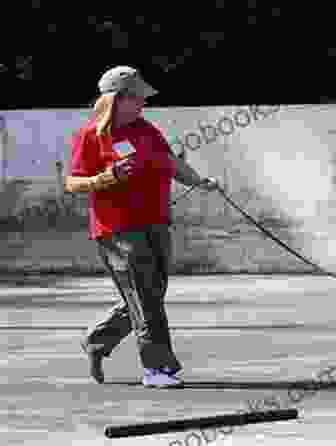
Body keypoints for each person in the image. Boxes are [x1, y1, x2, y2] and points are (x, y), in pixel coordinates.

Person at [65, 66, 219, 388]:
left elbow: (171, 162)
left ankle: (97, 339)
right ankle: (157, 368)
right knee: (146, 297)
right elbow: (73, 182)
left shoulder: (147, 130)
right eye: (137, 98)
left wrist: (199, 181)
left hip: (156, 223)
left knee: (149, 294)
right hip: (118, 229)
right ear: (115, 100)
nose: (142, 104)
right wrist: (108, 177)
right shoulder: (91, 136)